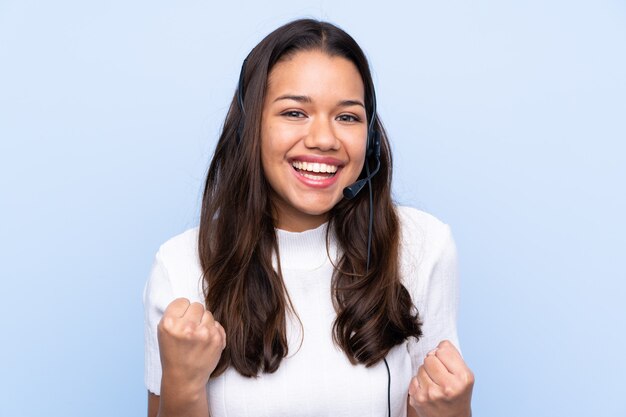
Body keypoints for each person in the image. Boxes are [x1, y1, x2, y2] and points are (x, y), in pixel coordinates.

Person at [144, 18, 474, 417]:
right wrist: (181, 381)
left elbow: (435, 406)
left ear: (369, 138)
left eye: (347, 117)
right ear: (252, 128)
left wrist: (455, 412)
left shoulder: (422, 246)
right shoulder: (180, 265)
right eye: (295, 113)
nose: (324, 139)